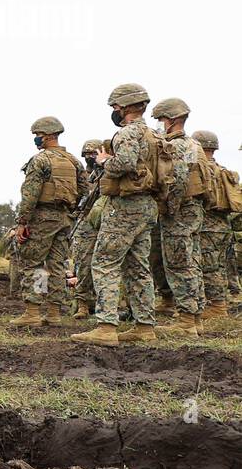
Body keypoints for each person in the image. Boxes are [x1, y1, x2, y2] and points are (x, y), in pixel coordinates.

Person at [72, 84, 160, 347]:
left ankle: (106, 326)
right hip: (147, 205)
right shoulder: (155, 135)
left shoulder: (127, 134)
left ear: (127, 107)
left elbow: (125, 164)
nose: (114, 111)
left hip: (125, 207)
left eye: (115, 107)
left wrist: (104, 162)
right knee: (138, 266)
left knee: (104, 262)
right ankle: (144, 326)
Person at [11, 117, 87, 326]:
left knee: (34, 264)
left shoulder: (40, 160)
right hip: (64, 219)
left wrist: (22, 222)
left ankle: (33, 311)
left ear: (48, 136)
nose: (36, 139)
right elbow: (84, 190)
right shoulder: (73, 161)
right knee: (57, 266)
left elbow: (30, 194)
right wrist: (70, 210)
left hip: (42, 218)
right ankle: (54, 313)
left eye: (38, 135)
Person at [148, 99, 207, 337]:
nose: (160, 125)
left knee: (178, 263)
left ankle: (186, 321)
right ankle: (195, 316)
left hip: (179, 210)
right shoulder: (195, 145)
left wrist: (168, 208)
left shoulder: (177, 146)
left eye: (161, 120)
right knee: (192, 262)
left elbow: (179, 179)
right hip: (192, 208)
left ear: (171, 120)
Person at [191, 130, 235, 323]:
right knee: (219, 265)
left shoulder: (203, 169)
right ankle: (221, 301)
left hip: (208, 224)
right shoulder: (222, 169)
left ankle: (217, 305)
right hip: (223, 224)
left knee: (209, 267)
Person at [68, 139, 105, 318]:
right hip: (85, 224)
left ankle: (104, 304)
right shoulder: (81, 176)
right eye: (87, 154)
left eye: (94, 154)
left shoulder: (106, 174)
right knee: (83, 264)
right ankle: (82, 304)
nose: (91, 157)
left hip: (105, 222)